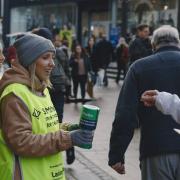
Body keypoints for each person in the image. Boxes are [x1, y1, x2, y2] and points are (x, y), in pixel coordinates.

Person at [0, 34, 94, 180]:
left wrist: (68, 128)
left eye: (52, 57)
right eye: (45, 58)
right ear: (29, 61)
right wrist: (67, 139)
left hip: (48, 174)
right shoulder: (15, 94)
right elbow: (21, 141)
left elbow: (43, 128)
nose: (52, 63)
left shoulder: (41, 88)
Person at [108, 25, 180, 180]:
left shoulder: (139, 67)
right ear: (178, 42)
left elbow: (125, 113)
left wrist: (117, 154)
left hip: (156, 148)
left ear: (153, 45)